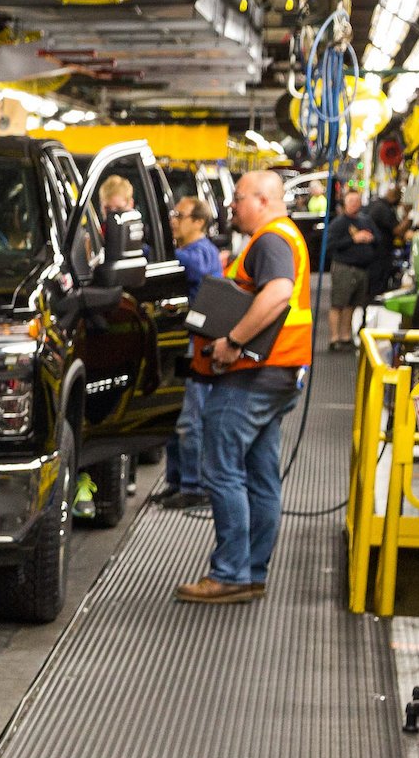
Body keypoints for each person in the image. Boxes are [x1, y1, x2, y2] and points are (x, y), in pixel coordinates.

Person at [175, 169, 314, 604]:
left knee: (221, 470)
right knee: (260, 474)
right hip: (278, 373)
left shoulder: (271, 239)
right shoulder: (282, 236)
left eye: (237, 198)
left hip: (254, 374)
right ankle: (251, 571)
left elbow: (277, 294)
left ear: (263, 200)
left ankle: (231, 572)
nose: (230, 206)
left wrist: (233, 342)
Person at [155, 196, 225, 508]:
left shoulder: (202, 253)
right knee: (175, 411)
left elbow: (196, 270)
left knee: (191, 417)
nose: (173, 220)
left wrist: (157, 252)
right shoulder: (187, 251)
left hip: (196, 346)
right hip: (179, 345)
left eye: (179, 215)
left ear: (198, 221)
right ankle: (176, 480)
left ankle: (194, 486)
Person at [327, 185, 382, 349]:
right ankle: (334, 338)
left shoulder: (366, 220)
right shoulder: (339, 223)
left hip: (362, 269)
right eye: (351, 201)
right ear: (344, 203)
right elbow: (330, 245)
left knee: (351, 305)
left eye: (357, 201)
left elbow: (379, 238)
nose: (354, 204)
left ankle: (345, 336)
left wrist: (369, 238)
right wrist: (353, 239)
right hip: (344, 268)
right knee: (338, 303)